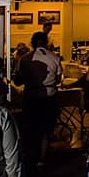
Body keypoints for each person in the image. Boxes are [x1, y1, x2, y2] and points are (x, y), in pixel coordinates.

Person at [14, 31, 63, 168]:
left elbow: (18, 80)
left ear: (32, 43)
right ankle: (42, 157)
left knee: (31, 126)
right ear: (46, 42)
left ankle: (30, 155)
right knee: (46, 128)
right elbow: (59, 79)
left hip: (31, 96)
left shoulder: (25, 59)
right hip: (49, 95)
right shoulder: (54, 57)